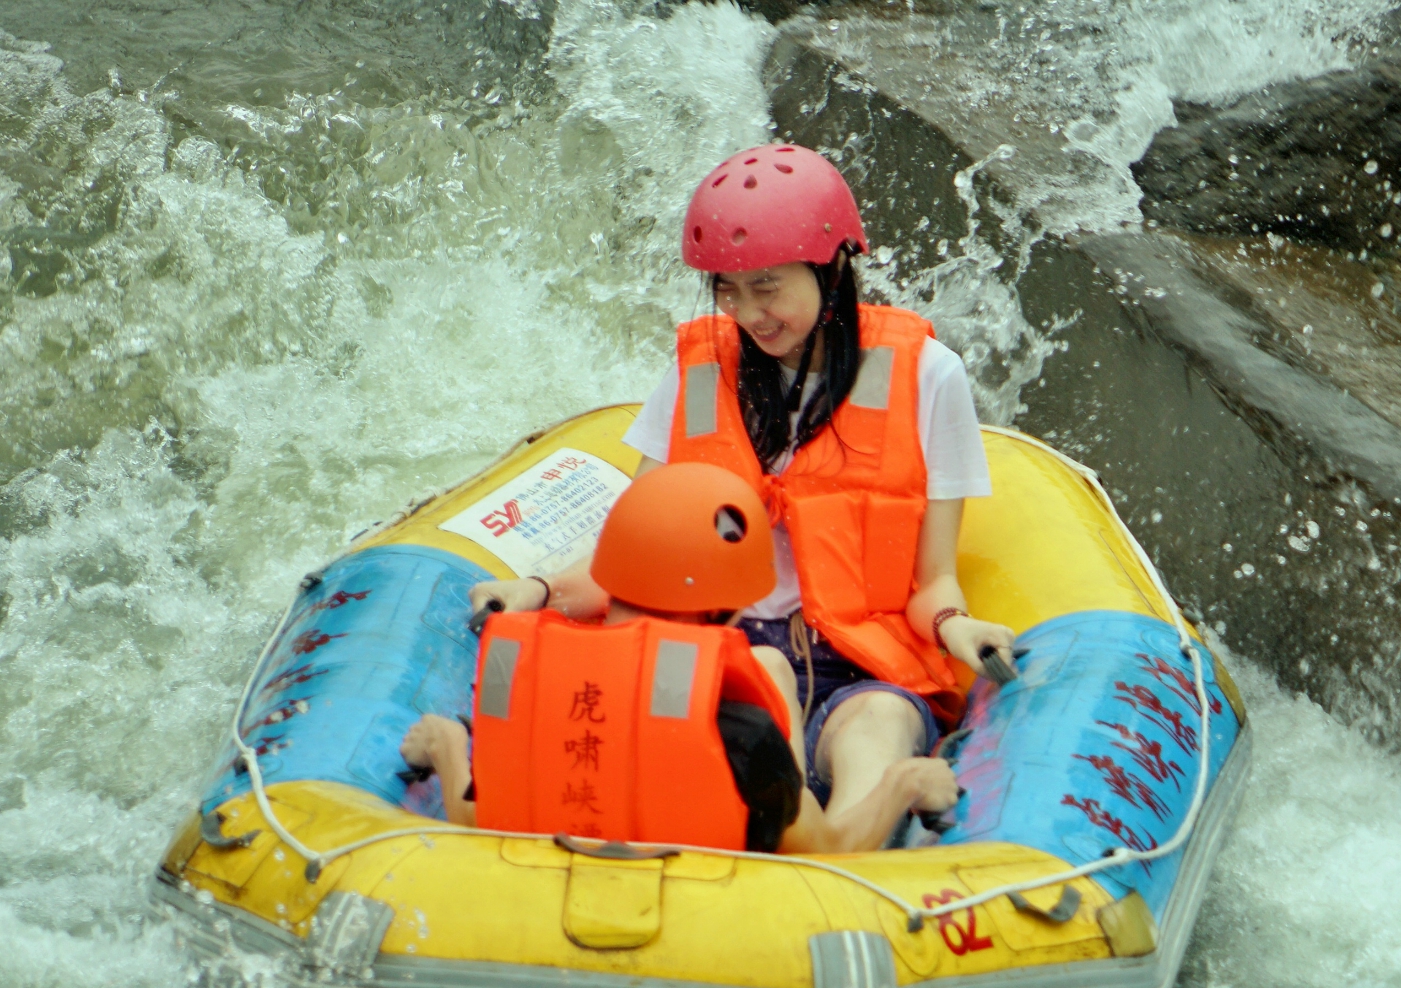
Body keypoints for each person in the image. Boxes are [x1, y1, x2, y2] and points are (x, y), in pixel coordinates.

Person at [469, 143, 1014, 832]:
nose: (748, 313)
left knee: (878, 720)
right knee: (762, 668)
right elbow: (635, 558)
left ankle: (847, 835)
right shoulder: (699, 374)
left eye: (767, 286)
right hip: (722, 647)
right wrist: (537, 591)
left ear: (832, 264)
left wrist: (954, 627)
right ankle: (796, 832)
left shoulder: (929, 375)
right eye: (728, 289)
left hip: (863, 662)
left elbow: (931, 581)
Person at [402, 464, 956, 853]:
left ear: (609, 578)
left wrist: (448, 747)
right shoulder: (742, 728)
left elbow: (482, 818)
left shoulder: (522, 678)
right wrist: (904, 783)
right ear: (725, 612)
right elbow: (820, 853)